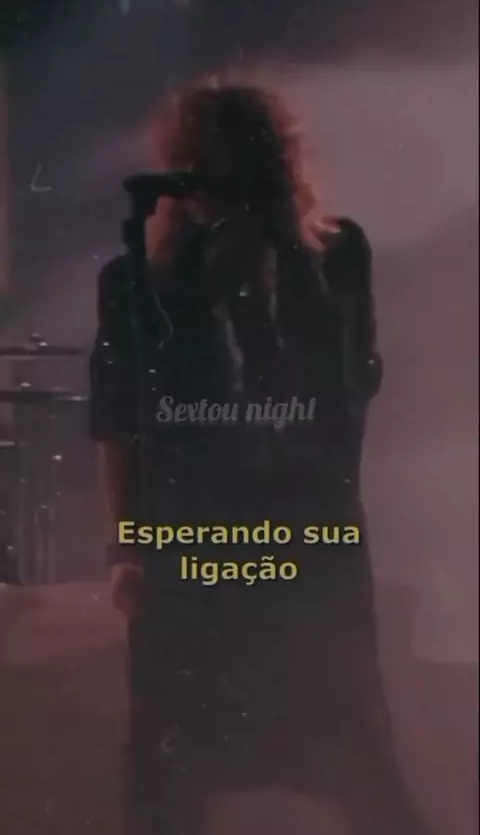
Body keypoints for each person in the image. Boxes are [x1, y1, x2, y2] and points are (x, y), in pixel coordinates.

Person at [89, 77, 431, 834]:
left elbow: (350, 388)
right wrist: (127, 545)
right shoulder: (139, 282)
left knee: (344, 740)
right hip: (196, 540)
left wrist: (277, 273)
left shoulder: (335, 258)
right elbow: (119, 420)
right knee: (176, 762)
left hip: (303, 534)